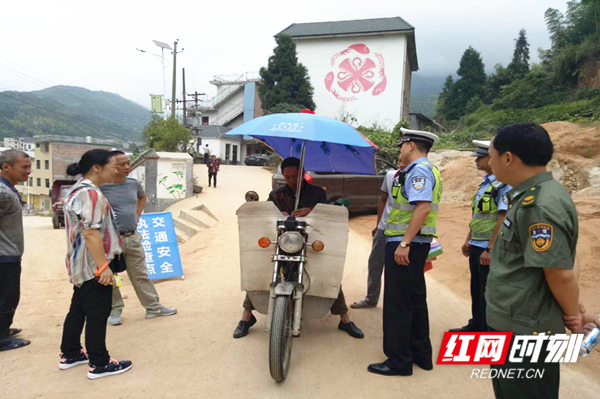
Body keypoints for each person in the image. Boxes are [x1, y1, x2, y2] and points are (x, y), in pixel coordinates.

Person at [486, 123, 582, 398]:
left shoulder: (539, 204)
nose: (490, 163)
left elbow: (560, 272)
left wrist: (573, 313)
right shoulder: (536, 195)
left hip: (525, 331)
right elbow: (566, 258)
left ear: (508, 157)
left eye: (492, 156)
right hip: (514, 321)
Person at [233, 157, 364, 339]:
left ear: (303, 174)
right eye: (288, 177)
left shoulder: (317, 194)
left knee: (329, 273)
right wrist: (257, 211)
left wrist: (311, 212)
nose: (292, 180)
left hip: (312, 243)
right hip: (284, 242)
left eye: (296, 176)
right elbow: (266, 214)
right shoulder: (277, 195)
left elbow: (327, 215)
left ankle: (345, 319)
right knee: (261, 269)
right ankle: (246, 317)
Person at [368, 128, 442, 377]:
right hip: (416, 244)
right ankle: (421, 355)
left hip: (405, 244)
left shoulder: (418, 171)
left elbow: (422, 208)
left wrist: (404, 243)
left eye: (402, 145)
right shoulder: (426, 170)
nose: (400, 149)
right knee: (415, 300)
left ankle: (398, 361)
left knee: (397, 303)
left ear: (410, 145)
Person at [60, 149, 132, 379]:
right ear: (97, 167)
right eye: (113, 165)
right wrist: (103, 267)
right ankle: (99, 363)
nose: (117, 169)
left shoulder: (78, 189)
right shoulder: (90, 194)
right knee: (98, 313)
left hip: (80, 263)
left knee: (78, 310)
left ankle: (70, 353)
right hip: (92, 265)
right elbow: (92, 233)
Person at [101, 151, 177, 326]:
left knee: (140, 274)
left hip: (132, 237)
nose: (127, 167)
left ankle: (153, 307)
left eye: (128, 163)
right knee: (111, 276)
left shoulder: (133, 184)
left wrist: (137, 215)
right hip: (109, 241)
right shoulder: (101, 187)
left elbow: (142, 197)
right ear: (111, 166)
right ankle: (115, 310)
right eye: (122, 164)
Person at [449, 140, 511, 333]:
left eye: (481, 157)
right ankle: (476, 324)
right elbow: (478, 215)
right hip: (477, 244)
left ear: (492, 158)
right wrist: (469, 239)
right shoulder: (485, 185)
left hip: (488, 248)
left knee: (488, 291)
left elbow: (502, 218)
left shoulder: (504, 187)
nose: (476, 160)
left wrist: (490, 248)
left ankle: (488, 331)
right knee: (476, 289)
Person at [352, 156, 407, 309]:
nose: (401, 163)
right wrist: (378, 225)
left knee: (398, 269)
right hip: (384, 229)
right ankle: (371, 299)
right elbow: (383, 200)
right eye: (399, 161)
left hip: (404, 232)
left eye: (405, 161)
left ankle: (397, 303)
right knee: (375, 264)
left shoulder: (416, 179)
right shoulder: (390, 176)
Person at [0, 149, 32, 352]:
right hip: (4, 257)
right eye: (24, 167)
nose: (29, 172)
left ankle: (4, 329)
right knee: (7, 297)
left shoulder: (8, 189)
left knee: (8, 295)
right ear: (6, 167)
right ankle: (1, 338)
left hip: (8, 255)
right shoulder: (3, 193)